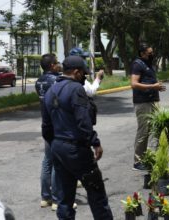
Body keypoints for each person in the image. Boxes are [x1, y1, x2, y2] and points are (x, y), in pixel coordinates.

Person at [41, 56, 113, 219]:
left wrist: (56, 144)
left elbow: (46, 127)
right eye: (83, 74)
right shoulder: (76, 89)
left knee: (64, 199)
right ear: (75, 72)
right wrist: (95, 142)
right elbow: (83, 122)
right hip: (76, 149)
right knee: (97, 194)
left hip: (58, 148)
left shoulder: (50, 91)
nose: (84, 77)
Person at [35, 54, 78, 211]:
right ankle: (57, 200)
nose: (60, 65)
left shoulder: (39, 81)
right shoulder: (56, 81)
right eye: (57, 63)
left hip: (46, 123)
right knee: (57, 163)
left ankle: (45, 197)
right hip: (58, 125)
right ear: (52, 65)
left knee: (47, 161)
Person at [131, 43, 166, 170]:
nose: (152, 54)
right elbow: (134, 84)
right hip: (143, 102)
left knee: (159, 127)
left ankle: (153, 157)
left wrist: (157, 87)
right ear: (142, 53)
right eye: (149, 52)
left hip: (153, 100)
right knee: (143, 131)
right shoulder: (137, 64)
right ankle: (137, 161)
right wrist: (153, 87)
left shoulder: (148, 64)